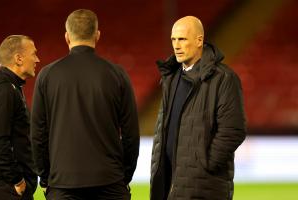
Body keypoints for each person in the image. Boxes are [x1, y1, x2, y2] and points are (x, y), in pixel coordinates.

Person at [31, 9, 140, 200]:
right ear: (97, 35)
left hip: (63, 184)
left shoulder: (47, 76)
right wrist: (124, 175)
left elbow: (38, 134)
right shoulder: (117, 74)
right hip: (110, 182)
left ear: (67, 37)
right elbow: (131, 134)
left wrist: (47, 177)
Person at [150, 16, 246, 200]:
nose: (176, 45)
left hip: (203, 186)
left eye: (182, 39)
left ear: (199, 40)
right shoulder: (170, 77)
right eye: (173, 39)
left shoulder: (223, 78)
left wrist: (205, 164)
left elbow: (234, 130)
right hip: (168, 183)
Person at [0, 35, 39, 200]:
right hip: (4, 186)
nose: (37, 59)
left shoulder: (10, 87)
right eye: (33, 54)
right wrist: (17, 180)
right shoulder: (4, 90)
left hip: (3, 186)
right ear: (18, 58)